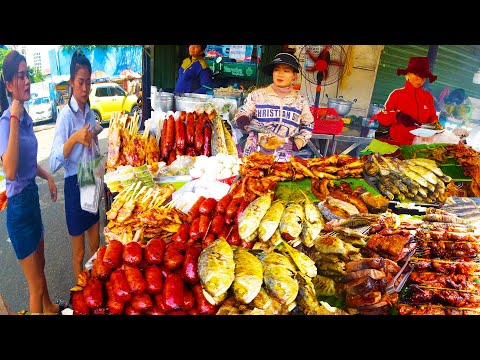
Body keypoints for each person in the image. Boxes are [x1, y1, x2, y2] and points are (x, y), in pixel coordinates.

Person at [0, 50, 61, 314]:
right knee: (34, 285)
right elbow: (11, 171)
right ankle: (41, 305)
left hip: (32, 202)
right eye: (20, 76)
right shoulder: (6, 122)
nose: (27, 82)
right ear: (9, 84)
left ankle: (48, 307)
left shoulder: (26, 118)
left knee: (41, 265)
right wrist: (13, 116)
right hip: (19, 212)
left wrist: (47, 175)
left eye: (27, 76)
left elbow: (26, 164)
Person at [49, 50, 101, 282]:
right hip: (73, 184)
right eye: (81, 82)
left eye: (88, 82)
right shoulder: (65, 118)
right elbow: (53, 163)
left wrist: (93, 140)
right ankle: (81, 293)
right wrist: (74, 139)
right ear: (71, 82)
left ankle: (95, 287)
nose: (85, 88)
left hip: (90, 177)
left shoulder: (89, 113)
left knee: (97, 244)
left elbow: (92, 147)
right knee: (79, 252)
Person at [232, 52, 314, 158]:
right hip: (255, 153)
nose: (280, 74)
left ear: (294, 75)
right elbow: (244, 111)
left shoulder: (300, 101)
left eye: (286, 71)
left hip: (284, 156)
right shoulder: (257, 95)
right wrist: (241, 118)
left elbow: (308, 124)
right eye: (276, 70)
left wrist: (298, 142)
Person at [373, 56, 441, 146]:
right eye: (417, 74)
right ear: (408, 74)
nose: (420, 79)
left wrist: (433, 127)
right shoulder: (397, 94)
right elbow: (382, 117)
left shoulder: (428, 97)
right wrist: (397, 116)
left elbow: (432, 117)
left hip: (419, 146)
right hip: (397, 145)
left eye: (424, 76)